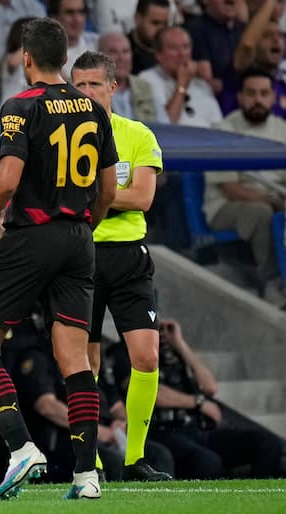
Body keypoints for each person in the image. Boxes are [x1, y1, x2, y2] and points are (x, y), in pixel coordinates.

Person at [0, 17, 117, 501]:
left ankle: (20, 447)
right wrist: (83, 225)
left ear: (26, 58)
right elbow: (108, 189)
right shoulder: (94, 110)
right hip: (78, 237)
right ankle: (86, 476)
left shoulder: (20, 106)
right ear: (66, 59)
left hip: (32, 236)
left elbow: (6, 181)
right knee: (75, 359)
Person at [70, 50, 172, 482]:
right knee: (84, 360)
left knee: (147, 357)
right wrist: (115, 193)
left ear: (114, 87)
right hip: (81, 255)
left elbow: (143, 198)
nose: (88, 93)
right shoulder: (63, 138)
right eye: (80, 85)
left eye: (95, 84)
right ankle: (90, 458)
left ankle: (136, 458)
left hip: (130, 256)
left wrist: (92, 195)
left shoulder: (137, 134)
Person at [110, 318, 286, 479]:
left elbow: (209, 386)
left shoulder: (171, 350)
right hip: (163, 431)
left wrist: (179, 343)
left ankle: (255, 501)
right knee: (208, 461)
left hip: (197, 428)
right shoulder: (122, 353)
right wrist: (198, 403)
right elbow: (154, 394)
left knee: (268, 443)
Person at [203, 68, 286, 307]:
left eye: (264, 93)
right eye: (251, 93)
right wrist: (274, 201)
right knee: (262, 213)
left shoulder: (282, 129)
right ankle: (272, 282)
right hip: (226, 206)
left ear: (273, 97)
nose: (258, 100)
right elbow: (231, 188)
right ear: (240, 97)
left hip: (275, 198)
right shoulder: (223, 130)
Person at [138, 26, 223, 127]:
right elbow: (164, 126)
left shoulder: (202, 85)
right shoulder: (147, 80)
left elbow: (219, 126)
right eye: (174, 48)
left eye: (186, 47)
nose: (182, 54)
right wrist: (182, 84)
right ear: (158, 54)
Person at [98, 31, 168, 122]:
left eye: (125, 51)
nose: (121, 58)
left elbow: (165, 127)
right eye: (113, 52)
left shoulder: (145, 88)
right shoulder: (89, 91)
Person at [48, 0, 100, 80]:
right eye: (69, 13)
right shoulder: (41, 52)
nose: (77, 19)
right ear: (54, 18)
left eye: (81, 12)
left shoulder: (98, 43)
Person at [128, 0, 172, 75]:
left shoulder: (172, 50)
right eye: (155, 23)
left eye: (165, 23)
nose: (161, 29)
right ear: (138, 19)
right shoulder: (125, 52)